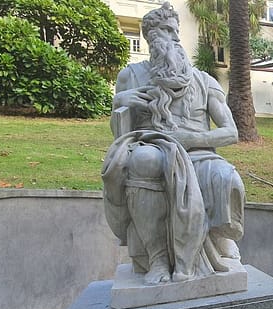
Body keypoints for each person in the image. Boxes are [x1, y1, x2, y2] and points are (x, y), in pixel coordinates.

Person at [102, 2, 245, 285]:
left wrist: (194, 139)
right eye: (167, 31)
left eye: (176, 31)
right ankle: (157, 260)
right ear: (150, 36)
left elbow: (231, 132)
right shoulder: (129, 77)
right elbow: (118, 135)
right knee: (143, 161)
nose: (175, 38)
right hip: (152, 144)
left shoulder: (204, 80)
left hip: (200, 152)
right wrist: (121, 103)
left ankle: (218, 238)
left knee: (226, 176)